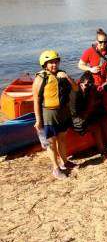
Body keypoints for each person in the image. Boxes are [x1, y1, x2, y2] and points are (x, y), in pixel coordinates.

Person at [32, 50, 77, 179]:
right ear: (44, 64)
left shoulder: (62, 75)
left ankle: (65, 162)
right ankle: (56, 169)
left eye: (56, 62)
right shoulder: (41, 78)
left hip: (62, 112)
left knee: (62, 138)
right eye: (51, 63)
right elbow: (36, 100)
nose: (54, 65)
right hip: (48, 114)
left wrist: (67, 77)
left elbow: (76, 89)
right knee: (51, 143)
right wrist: (38, 120)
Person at [69, 71, 107, 163]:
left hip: (85, 115)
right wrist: (90, 106)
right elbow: (76, 113)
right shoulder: (74, 93)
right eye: (84, 84)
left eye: (89, 85)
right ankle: (103, 153)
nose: (85, 87)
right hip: (76, 119)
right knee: (96, 127)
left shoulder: (91, 90)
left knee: (102, 119)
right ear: (80, 83)